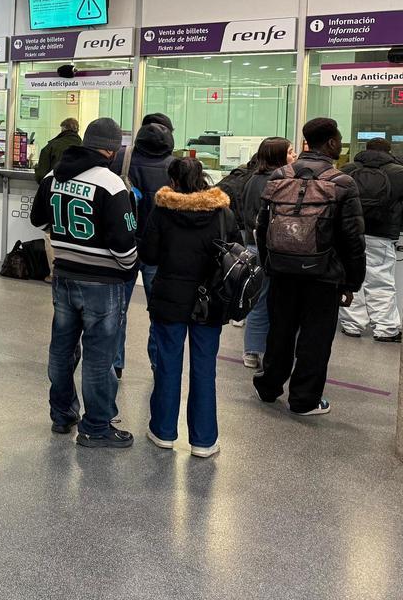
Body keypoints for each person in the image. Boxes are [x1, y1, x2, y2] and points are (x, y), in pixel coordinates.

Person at [30, 118, 137, 449]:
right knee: (98, 357)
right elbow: (125, 244)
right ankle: (96, 426)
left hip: (63, 276)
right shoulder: (111, 184)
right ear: (111, 149)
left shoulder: (53, 176)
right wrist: (127, 266)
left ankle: (62, 415)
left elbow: (38, 219)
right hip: (102, 284)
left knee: (61, 351)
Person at [254, 117, 366, 416]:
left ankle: (269, 387)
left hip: (281, 270)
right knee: (315, 339)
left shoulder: (279, 175)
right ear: (330, 143)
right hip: (324, 274)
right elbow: (353, 239)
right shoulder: (342, 182)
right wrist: (352, 282)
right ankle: (304, 400)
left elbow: (262, 226)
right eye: (338, 140)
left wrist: (268, 264)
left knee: (280, 330)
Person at [139, 157, 240, 458]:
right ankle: (204, 441)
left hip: (169, 298)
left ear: (173, 181)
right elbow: (234, 254)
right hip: (210, 301)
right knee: (205, 370)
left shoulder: (162, 211)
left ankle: (163, 432)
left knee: (168, 365)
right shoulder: (223, 213)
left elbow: (149, 255)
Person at [113, 118, 174, 379]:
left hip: (124, 244)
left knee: (117, 309)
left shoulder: (121, 160)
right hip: (159, 249)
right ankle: (158, 362)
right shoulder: (174, 167)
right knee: (159, 310)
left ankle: (115, 363)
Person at [230, 137, 295, 369]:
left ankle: (252, 351)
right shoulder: (279, 182)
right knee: (272, 301)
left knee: (257, 300)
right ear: (278, 156)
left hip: (252, 245)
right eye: (289, 152)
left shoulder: (251, 179)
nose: (294, 156)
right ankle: (266, 351)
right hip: (269, 248)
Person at [340, 137, 403, 342]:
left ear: (365, 149)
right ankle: (386, 329)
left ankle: (352, 325)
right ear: (389, 151)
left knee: (351, 279)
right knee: (381, 282)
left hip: (350, 231)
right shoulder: (398, 172)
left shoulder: (348, 169)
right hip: (382, 233)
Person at [33, 117, 80, 182]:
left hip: (54, 187)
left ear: (64, 129)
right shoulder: (83, 146)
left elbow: (41, 176)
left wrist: (36, 169)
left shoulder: (52, 146)